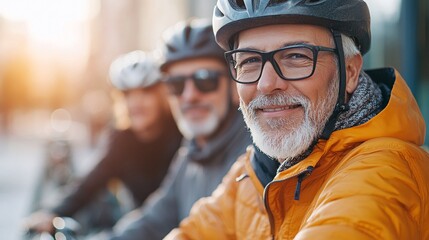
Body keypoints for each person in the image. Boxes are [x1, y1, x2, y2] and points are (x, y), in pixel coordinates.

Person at [165, 0, 429, 239]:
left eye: (296, 56)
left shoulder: (386, 170)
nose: (266, 84)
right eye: (250, 61)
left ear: (349, 72)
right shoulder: (256, 169)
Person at [108, 19, 251, 240]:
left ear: (234, 85)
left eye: (205, 80)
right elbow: (154, 219)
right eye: (176, 84)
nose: (189, 95)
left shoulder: (254, 155)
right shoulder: (192, 150)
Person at [24, 50, 182, 234]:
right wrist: (52, 212)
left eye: (146, 92)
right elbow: (89, 183)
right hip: (141, 229)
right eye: (128, 94)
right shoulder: (121, 141)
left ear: (161, 95)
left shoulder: (180, 133)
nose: (136, 102)